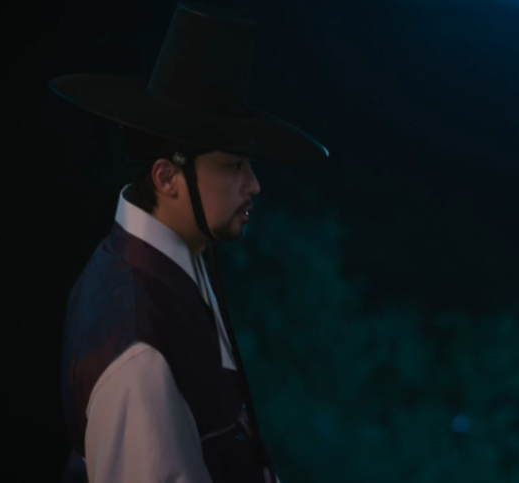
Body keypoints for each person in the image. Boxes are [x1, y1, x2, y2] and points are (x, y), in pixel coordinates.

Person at [52, 3, 329, 482]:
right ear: (167, 178)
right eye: (233, 166)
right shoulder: (137, 348)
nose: (254, 185)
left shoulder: (178, 258)